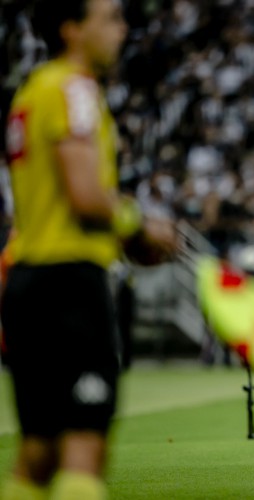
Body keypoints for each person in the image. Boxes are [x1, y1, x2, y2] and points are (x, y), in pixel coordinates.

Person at [0, 1, 174, 499]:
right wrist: (139, 227)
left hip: (27, 278)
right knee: (84, 447)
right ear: (72, 28)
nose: (122, 30)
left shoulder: (32, 91)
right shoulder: (74, 88)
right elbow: (85, 196)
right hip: (70, 282)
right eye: (112, 18)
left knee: (38, 454)